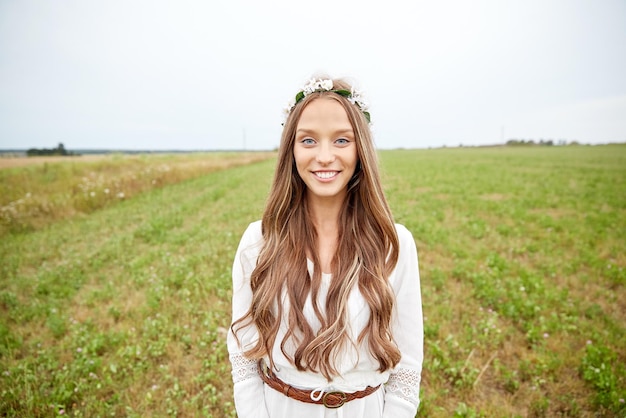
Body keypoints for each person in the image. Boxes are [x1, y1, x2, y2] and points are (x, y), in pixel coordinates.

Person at [227, 76, 423, 418]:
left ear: (360, 149)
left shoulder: (395, 243)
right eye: (308, 140)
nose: (325, 156)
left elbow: (407, 364)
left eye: (342, 139)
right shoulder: (259, 241)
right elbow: (244, 356)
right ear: (291, 150)